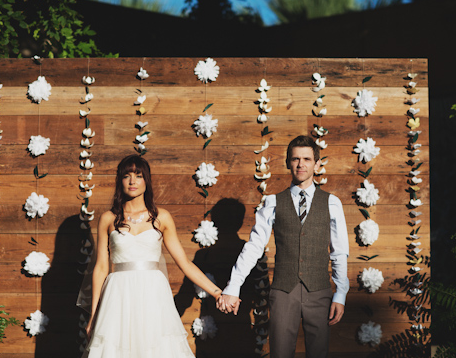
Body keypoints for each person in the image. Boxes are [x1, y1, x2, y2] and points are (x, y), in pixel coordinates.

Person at [217, 135, 350, 358]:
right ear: (288, 162)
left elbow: (339, 252)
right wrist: (233, 286)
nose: (301, 164)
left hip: (319, 290)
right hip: (283, 292)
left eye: (307, 159)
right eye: (296, 159)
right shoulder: (272, 202)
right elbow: (254, 247)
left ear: (317, 164)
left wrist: (340, 294)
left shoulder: (331, 202)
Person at [83, 154, 222, 358]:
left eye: (138, 175)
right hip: (118, 296)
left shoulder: (161, 217)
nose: (132, 181)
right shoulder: (108, 219)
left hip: (153, 295)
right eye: (127, 175)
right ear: (119, 180)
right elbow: (101, 268)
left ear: (146, 181)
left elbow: (183, 262)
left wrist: (217, 292)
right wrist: (94, 316)